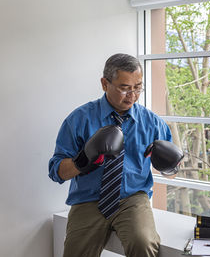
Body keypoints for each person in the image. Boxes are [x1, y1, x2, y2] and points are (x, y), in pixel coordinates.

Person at [49, 53, 173, 257]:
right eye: (124, 88)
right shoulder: (79, 119)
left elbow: (172, 172)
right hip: (89, 200)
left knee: (144, 243)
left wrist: (169, 164)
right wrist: (84, 159)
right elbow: (56, 172)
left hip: (133, 199)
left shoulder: (152, 122)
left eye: (138, 87)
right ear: (105, 84)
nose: (132, 95)